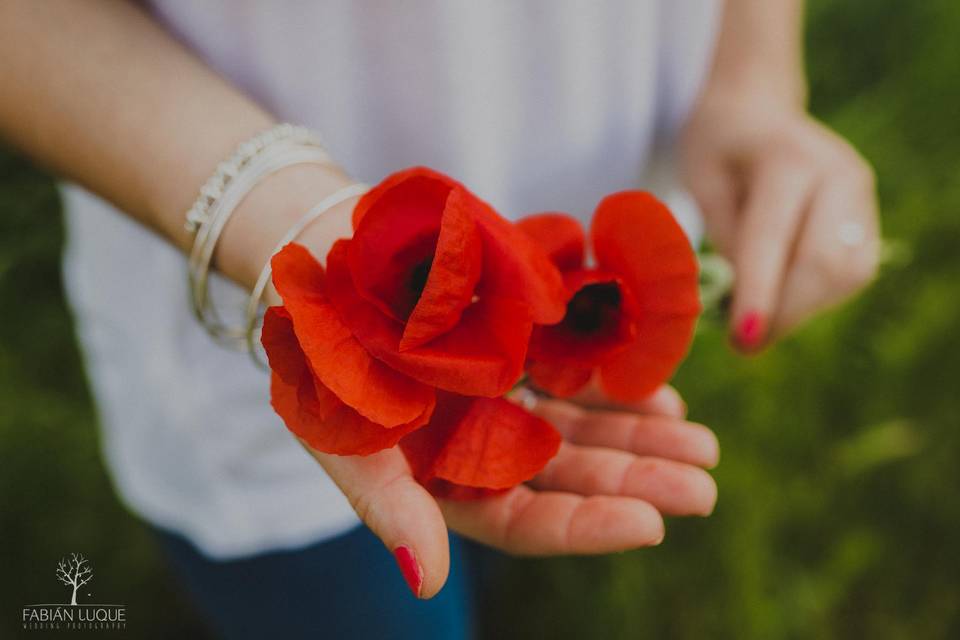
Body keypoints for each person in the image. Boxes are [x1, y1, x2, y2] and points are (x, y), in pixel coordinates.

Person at [0, 1, 879, 638]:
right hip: (185, 174)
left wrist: (750, 79)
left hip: (585, 199)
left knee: (496, 525)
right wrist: (267, 206)